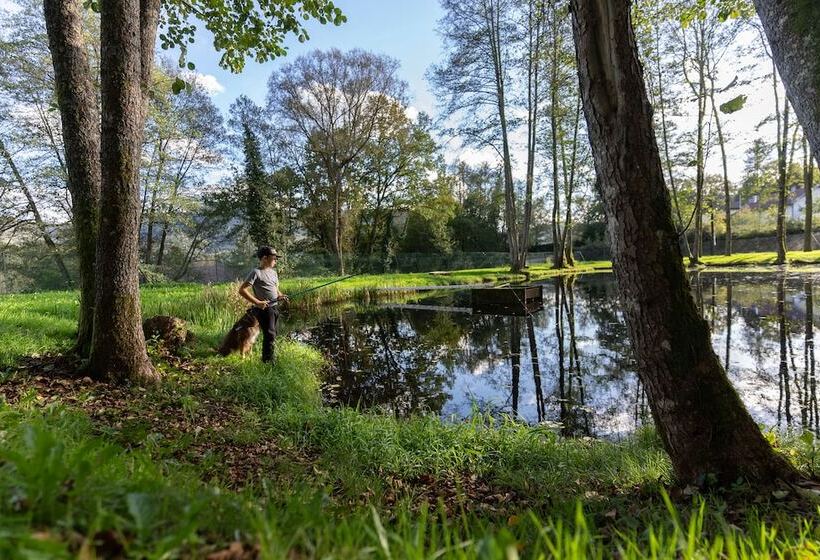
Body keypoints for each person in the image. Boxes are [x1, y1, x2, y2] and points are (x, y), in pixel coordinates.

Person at [238, 246, 288, 363]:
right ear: (265, 258)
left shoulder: (273, 273)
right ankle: (268, 361)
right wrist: (257, 302)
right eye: (274, 258)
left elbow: (275, 289)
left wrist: (280, 296)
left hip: (274, 308)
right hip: (264, 310)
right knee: (270, 334)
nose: (276, 260)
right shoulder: (256, 272)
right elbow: (242, 290)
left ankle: (271, 356)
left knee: (273, 333)